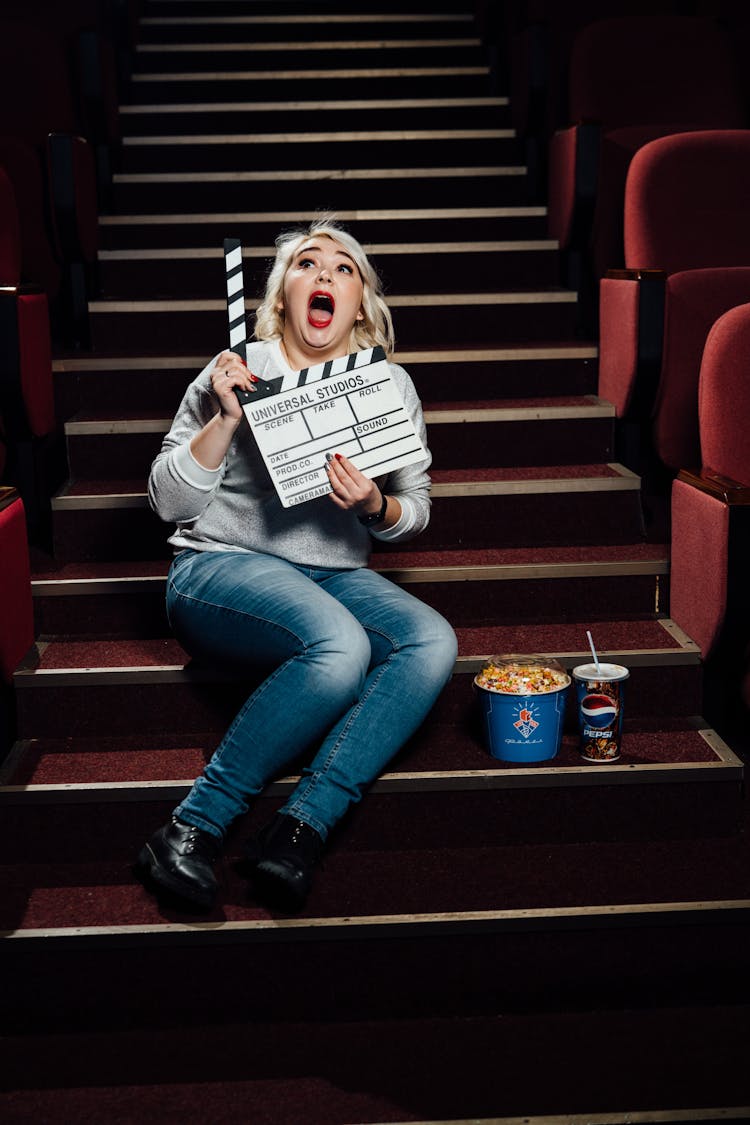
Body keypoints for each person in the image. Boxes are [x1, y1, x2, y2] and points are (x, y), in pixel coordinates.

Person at [136, 218, 457, 912]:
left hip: (333, 574)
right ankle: (190, 827)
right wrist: (223, 419)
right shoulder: (237, 368)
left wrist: (376, 505)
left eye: (344, 269)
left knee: (433, 640)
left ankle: (300, 826)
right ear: (283, 294)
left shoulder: (387, 384)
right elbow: (165, 501)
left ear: (362, 302)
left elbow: (416, 507)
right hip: (220, 567)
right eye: (308, 264)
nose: (325, 275)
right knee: (340, 647)